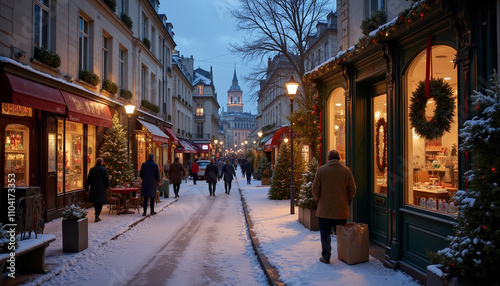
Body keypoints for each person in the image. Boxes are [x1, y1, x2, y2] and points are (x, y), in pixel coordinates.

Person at [312, 150, 357, 264]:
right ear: (339, 158)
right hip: (341, 209)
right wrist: (348, 200)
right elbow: (352, 189)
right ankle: (345, 255)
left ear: (328, 158)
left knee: (325, 233)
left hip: (324, 210)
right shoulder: (346, 171)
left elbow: (315, 189)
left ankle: (326, 256)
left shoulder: (321, 170)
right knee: (342, 234)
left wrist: (318, 200)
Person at [85, 158, 110, 222]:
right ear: (101, 163)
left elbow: (88, 180)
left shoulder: (92, 170)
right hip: (102, 188)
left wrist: (86, 189)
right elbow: (106, 180)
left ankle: (97, 213)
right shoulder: (104, 170)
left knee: (95, 202)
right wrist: (107, 186)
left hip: (94, 188)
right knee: (100, 202)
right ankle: (97, 215)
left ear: (96, 162)